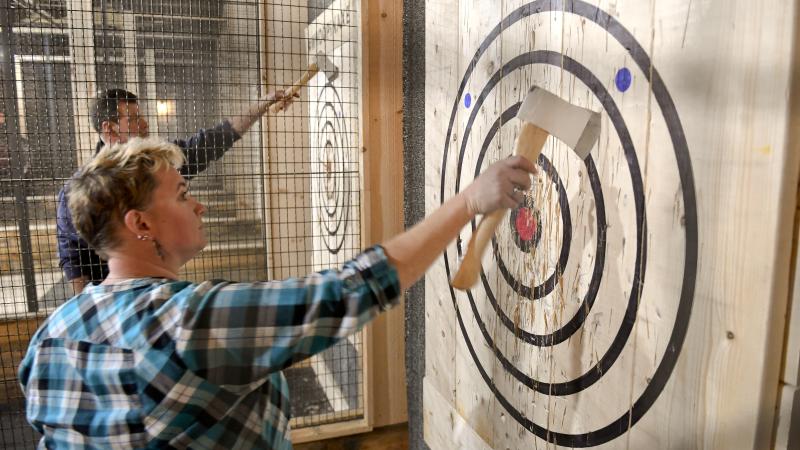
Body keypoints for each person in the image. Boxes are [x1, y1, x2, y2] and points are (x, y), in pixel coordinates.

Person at [19, 137, 536, 449]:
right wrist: (470, 200)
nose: (198, 206)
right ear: (140, 224)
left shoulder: (48, 338)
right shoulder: (186, 322)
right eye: (180, 195)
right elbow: (350, 291)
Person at [56, 88, 295, 294]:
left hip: (157, 287)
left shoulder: (155, 163)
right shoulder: (81, 190)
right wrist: (86, 307)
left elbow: (209, 143)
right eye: (134, 118)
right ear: (109, 129)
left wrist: (261, 105)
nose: (144, 124)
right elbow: (73, 256)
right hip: (113, 295)